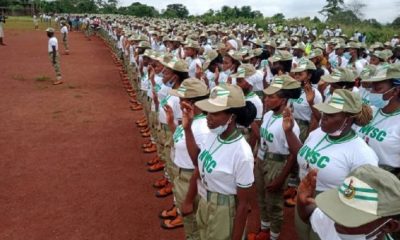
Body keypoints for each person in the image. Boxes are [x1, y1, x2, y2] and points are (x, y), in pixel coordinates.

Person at [283, 89, 379, 240]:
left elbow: (364, 204)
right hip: (303, 197)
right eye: (324, 112)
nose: (324, 117)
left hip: (332, 207)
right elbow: (302, 155)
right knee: (302, 234)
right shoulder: (317, 134)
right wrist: (289, 132)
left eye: (331, 114)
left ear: (348, 119)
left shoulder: (362, 154)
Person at [182, 84, 257, 240]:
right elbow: (198, 160)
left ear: (232, 117)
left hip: (224, 210)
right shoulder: (213, 134)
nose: (208, 117)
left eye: (215, 113)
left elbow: (243, 205)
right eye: (208, 111)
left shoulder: (242, 153)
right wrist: (187, 129)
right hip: (205, 201)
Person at [160, 78, 210, 237]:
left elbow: (199, 165)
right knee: (191, 225)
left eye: (182, 99)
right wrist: (172, 125)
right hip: (182, 175)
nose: (179, 102)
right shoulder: (189, 120)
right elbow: (183, 142)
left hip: (191, 179)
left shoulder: (203, 128)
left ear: (191, 103)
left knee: (193, 227)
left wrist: (189, 198)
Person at [255, 75, 302, 240]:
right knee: (261, 196)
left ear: (283, 100)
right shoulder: (268, 115)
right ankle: (264, 228)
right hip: (262, 160)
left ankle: (273, 236)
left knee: (274, 203)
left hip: (277, 163)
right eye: (266, 96)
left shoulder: (289, 124)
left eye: (272, 97)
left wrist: (281, 178)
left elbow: (294, 154)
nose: (266, 99)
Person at [297, 165, 400, 240]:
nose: (337, 221)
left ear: (389, 226)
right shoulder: (336, 222)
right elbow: (310, 215)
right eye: (341, 209)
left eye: (351, 217)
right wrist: (302, 201)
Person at [357, 63, 400, 179]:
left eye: (378, 89)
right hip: (358, 173)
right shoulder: (370, 111)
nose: (372, 92)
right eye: (372, 88)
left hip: (386, 180)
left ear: (396, 90)